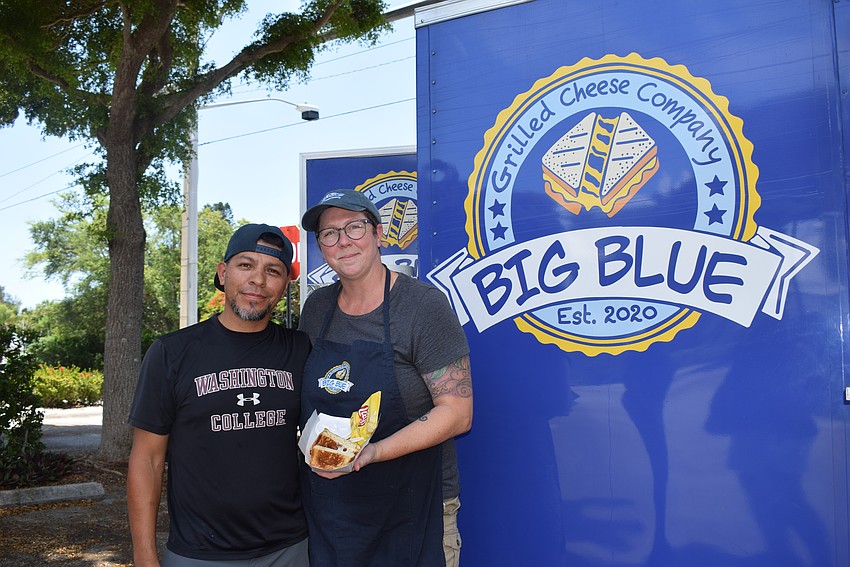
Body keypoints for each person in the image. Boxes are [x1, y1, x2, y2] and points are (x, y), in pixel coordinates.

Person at [298, 189, 473, 567]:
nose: (343, 241)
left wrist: (373, 451)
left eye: (354, 227)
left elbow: (457, 413)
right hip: (336, 510)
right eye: (329, 233)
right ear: (322, 247)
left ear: (378, 234)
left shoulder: (423, 306)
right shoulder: (316, 309)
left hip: (415, 508)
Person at [127, 224, 311, 567]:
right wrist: (144, 557)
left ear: (285, 286)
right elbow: (147, 460)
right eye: (246, 265)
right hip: (198, 553)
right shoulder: (172, 353)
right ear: (223, 273)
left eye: (273, 271)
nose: (258, 280)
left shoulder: (300, 350)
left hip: (290, 548)